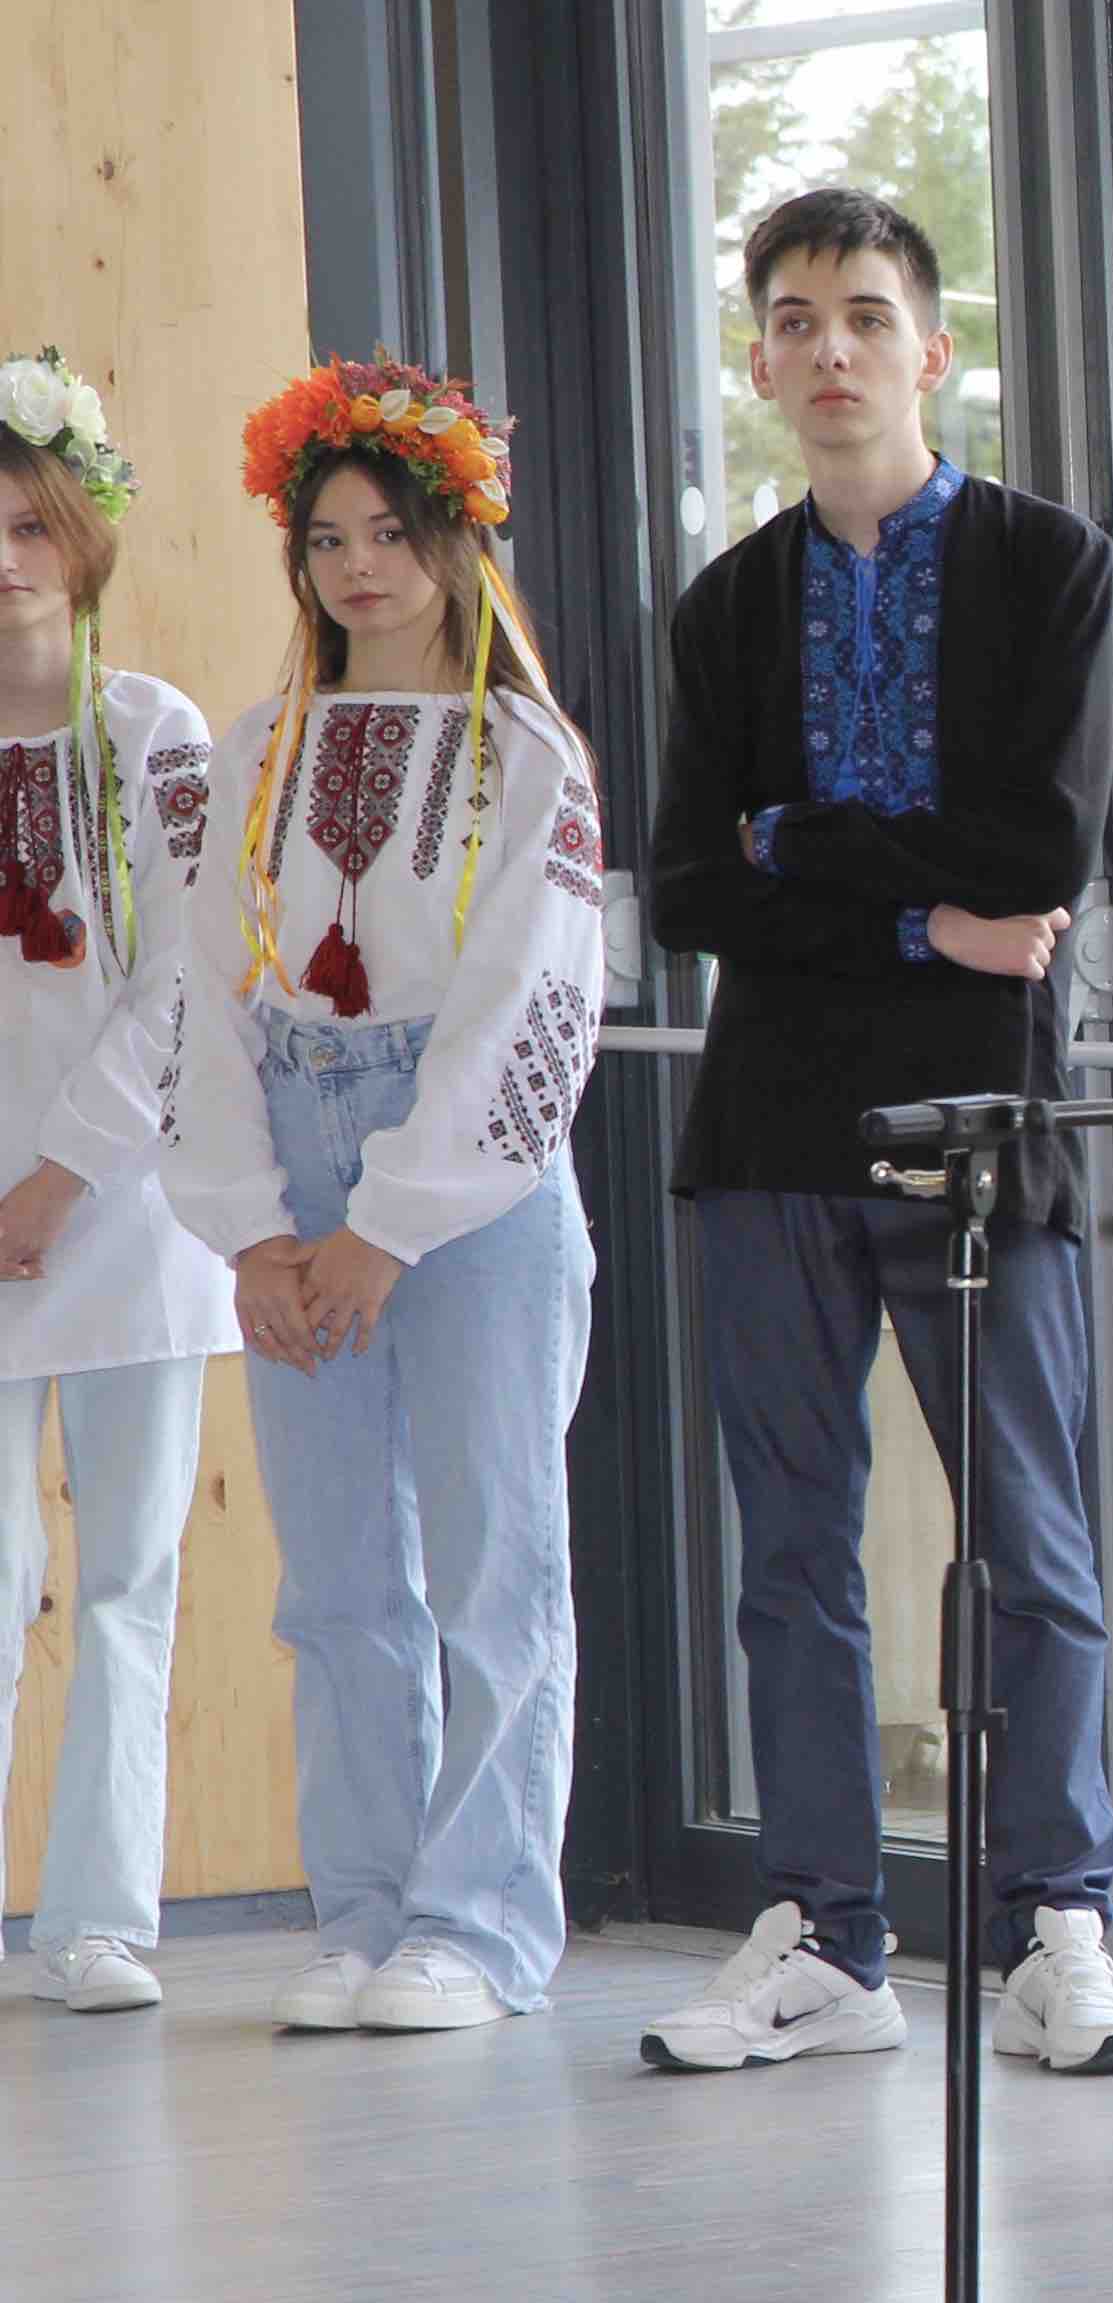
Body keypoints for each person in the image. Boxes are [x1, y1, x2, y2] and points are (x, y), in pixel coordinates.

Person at [638, 186, 1113, 2080]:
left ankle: (1056, 1926)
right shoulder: (724, 603)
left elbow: (1046, 850)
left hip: (978, 1121)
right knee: (793, 1548)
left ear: (933, 348)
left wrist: (807, 844)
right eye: (793, 317)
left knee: (1032, 1534)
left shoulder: (1053, 567)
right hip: (767, 1125)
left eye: (865, 314)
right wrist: (919, 916)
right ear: (759, 360)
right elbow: (692, 882)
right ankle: (829, 1939)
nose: (829, 347)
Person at [169, 357, 600, 2036]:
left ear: (454, 545)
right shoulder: (259, 746)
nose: (359, 567)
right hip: (291, 1151)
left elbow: (527, 1010)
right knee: (340, 1576)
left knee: (498, 1563)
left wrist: (387, 1217)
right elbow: (210, 997)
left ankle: (481, 1924)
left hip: (466, 1179)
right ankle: (361, 1907)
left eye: (391, 533)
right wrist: (251, 1224)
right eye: (328, 537)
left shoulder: (525, 755)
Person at [0, 350, 236, 2015]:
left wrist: (63, 1173)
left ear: (85, 540)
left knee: (134, 1569)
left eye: (31, 522)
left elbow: (183, 974)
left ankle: (98, 1917)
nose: (5, 557)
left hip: (134, 1212)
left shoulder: (153, 731)